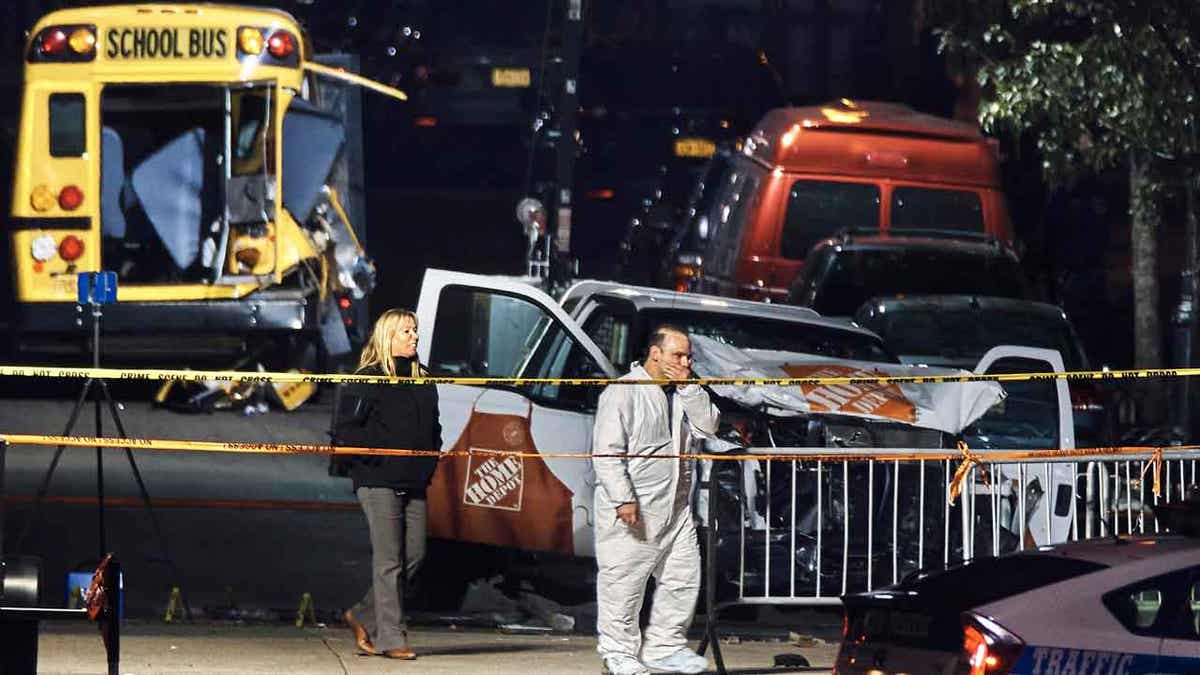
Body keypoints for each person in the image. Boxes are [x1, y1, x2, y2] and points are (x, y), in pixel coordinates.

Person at [592, 325, 720, 675]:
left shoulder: (682, 394)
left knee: (684, 577)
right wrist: (622, 498)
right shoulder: (623, 393)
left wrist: (690, 388)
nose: (686, 362)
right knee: (624, 583)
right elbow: (607, 451)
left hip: (677, 508)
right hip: (636, 508)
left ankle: (664, 646)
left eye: (689, 356)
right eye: (678, 355)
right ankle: (618, 654)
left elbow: (709, 426)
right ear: (655, 353)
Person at [336, 309, 441, 660]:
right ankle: (391, 638)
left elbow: (433, 428)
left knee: (415, 555)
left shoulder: (422, 378)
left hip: (414, 480)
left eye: (415, 330)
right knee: (389, 561)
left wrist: (429, 462)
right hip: (378, 480)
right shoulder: (367, 378)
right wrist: (376, 460)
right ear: (388, 336)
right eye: (406, 332)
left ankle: (362, 614)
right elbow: (347, 431)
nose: (414, 337)